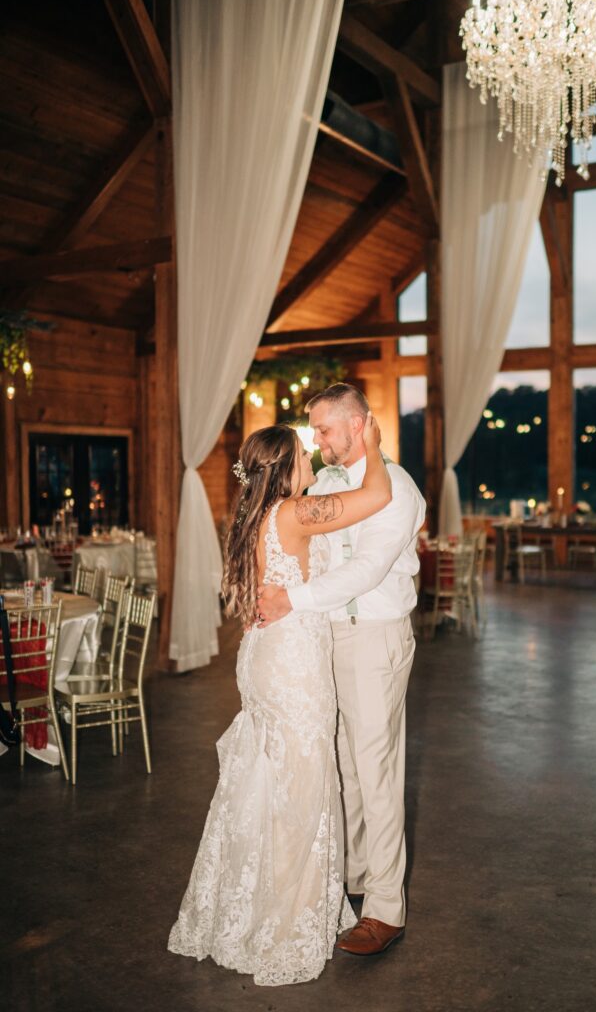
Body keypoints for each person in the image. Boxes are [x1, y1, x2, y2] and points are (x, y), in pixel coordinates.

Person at [168, 414, 392, 987]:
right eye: (302, 454)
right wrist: (369, 441)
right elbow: (375, 496)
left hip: (263, 658)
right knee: (302, 789)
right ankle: (283, 923)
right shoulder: (294, 513)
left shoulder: (252, 515)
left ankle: (241, 908)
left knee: (264, 783)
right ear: (283, 469)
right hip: (294, 667)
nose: (310, 460)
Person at [257, 383, 426, 957]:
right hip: (324, 642)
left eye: (324, 430)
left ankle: (385, 909)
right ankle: (352, 883)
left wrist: (291, 603)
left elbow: (366, 570)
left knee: (376, 771)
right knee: (344, 771)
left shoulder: (396, 488)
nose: (317, 440)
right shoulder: (322, 484)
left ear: (359, 427)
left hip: (375, 639)